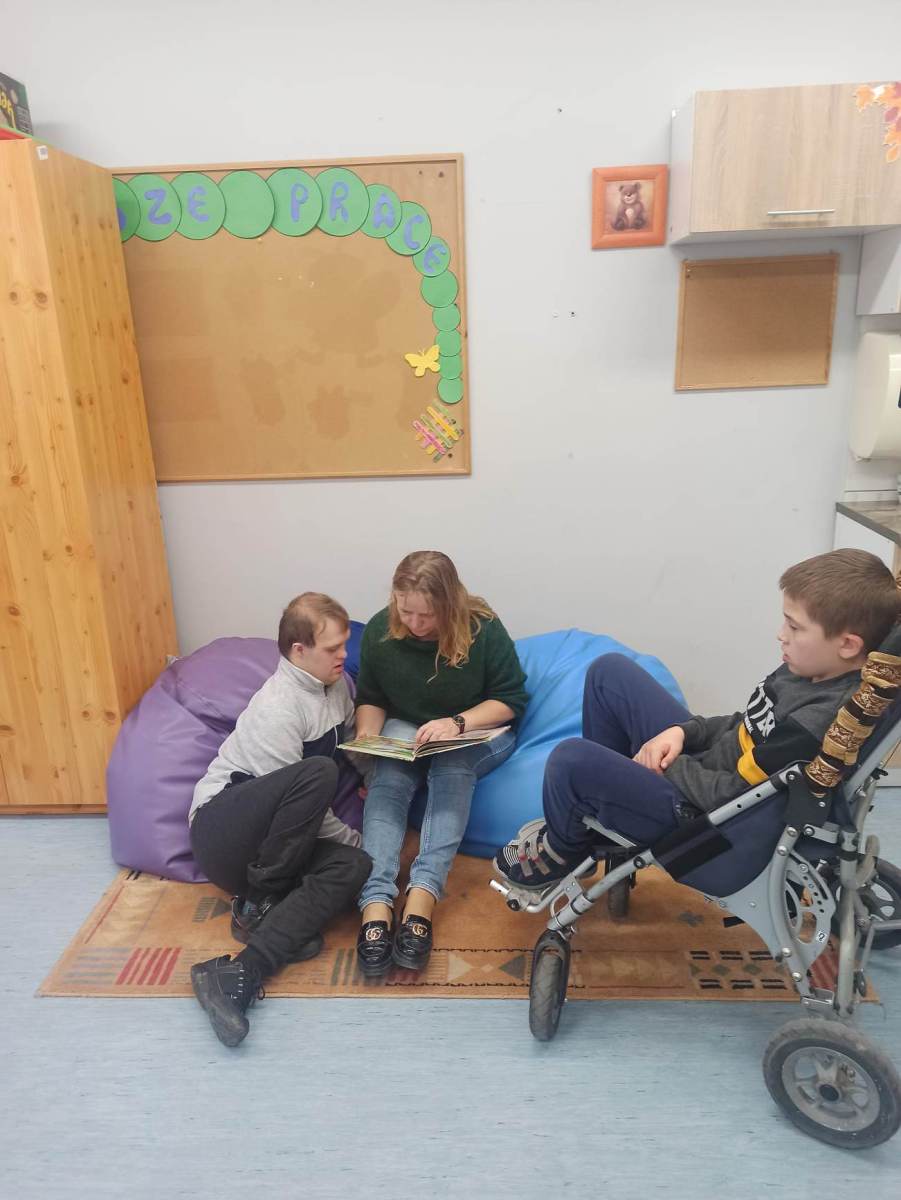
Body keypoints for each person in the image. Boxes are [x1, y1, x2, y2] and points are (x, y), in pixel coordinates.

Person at [495, 549, 901, 888]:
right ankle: (599, 823)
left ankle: (565, 848)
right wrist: (680, 733)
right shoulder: (807, 671)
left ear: (848, 645)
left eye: (795, 627)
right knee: (608, 673)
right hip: (703, 777)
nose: (781, 634)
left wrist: (664, 765)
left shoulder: (818, 721)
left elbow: (735, 797)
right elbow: (744, 723)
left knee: (571, 758)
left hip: (709, 824)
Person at [188, 592, 371, 1047]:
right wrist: (353, 836)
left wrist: (382, 781)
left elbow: (352, 746)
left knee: (355, 866)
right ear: (299, 650)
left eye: (344, 645)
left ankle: (242, 971)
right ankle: (262, 900)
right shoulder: (278, 707)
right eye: (333, 648)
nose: (344, 655)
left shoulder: (337, 686)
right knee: (319, 774)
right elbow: (307, 807)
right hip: (221, 830)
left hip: (274, 848)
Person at [354, 551, 529, 975]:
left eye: (427, 615)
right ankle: (375, 903)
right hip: (409, 729)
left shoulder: (482, 629)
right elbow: (371, 697)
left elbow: (510, 700)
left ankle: (422, 897)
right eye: (405, 610)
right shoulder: (380, 629)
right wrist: (368, 736)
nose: (415, 623)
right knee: (389, 775)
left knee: (451, 769)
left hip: (475, 728)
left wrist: (456, 723)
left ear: (449, 604)